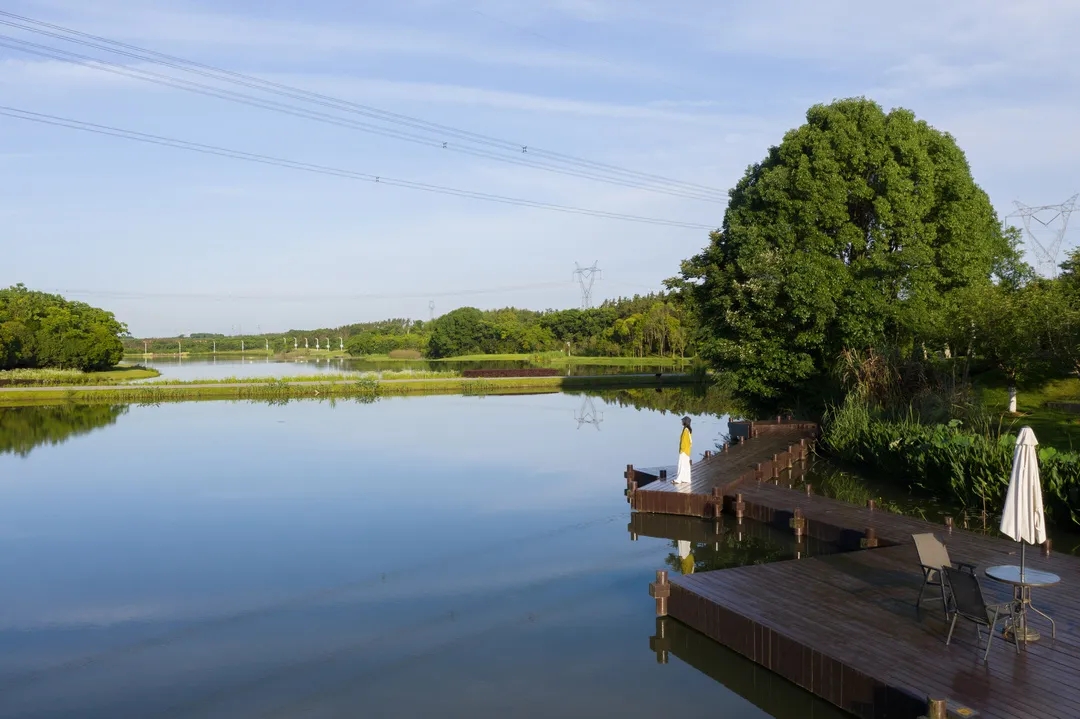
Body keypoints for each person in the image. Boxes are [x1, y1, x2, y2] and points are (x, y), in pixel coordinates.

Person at [674, 416, 692, 484]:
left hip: (684, 450)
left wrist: (681, 449)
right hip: (687, 450)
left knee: (681, 464)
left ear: (685, 422)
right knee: (686, 465)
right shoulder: (689, 430)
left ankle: (679, 479)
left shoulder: (685, 430)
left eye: (683, 421)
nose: (682, 422)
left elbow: (684, 441)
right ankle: (686, 479)